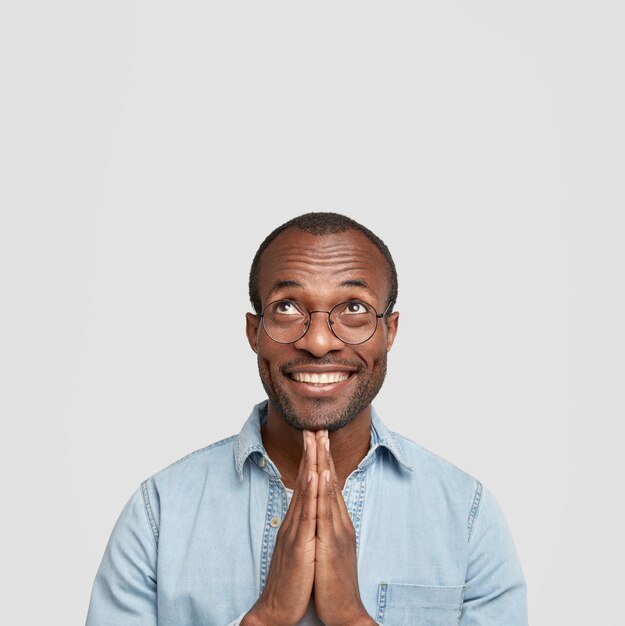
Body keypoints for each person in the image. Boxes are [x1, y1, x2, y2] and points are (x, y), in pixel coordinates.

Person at [86, 212, 528, 626]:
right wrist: (268, 615)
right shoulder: (160, 512)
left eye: (353, 308)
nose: (318, 342)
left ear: (389, 332)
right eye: (287, 307)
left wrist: (353, 618)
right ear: (253, 333)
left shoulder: (466, 515)